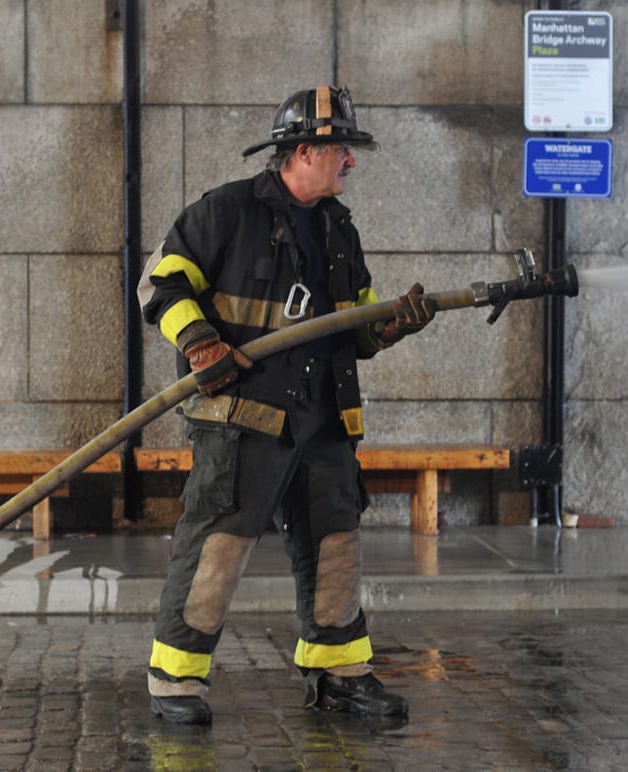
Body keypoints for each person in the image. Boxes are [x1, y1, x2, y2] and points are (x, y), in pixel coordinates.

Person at [137, 85, 436, 726]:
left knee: (335, 544)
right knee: (218, 545)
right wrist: (197, 341)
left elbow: (357, 322)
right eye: (342, 151)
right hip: (243, 417)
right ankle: (176, 682)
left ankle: (340, 676)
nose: (351, 163)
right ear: (304, 150)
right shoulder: (229, 211)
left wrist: (391, 324)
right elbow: (157, 282)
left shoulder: (336, 226)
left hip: (325, 420)